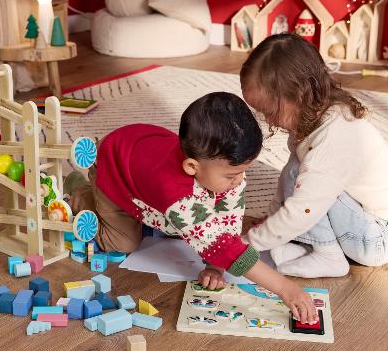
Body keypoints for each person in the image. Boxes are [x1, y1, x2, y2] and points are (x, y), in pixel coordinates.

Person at [67, 91, 317, 323]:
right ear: (191, 167)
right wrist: (285, 288)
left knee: (191, 225)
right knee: (123, 243)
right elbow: (221, 244)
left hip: (142, 153)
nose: (239, 181)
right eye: (232, 175)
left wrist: (214, 265)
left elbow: (227, 225)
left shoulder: (224, 171)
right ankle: (81, 191)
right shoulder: (179, 197)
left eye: (243, 171)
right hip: (113, 169)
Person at [240, 33, 388, 278]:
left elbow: (304, 208)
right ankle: (313, 248)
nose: (268, 120)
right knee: (297, 172)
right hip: (360, 223)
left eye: (270, 111)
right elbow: (288, 177)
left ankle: (328, 256)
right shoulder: (311, 117)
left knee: (307, 188)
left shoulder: (335, 136)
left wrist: (247, 246)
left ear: (299, 94)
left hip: (378, 236)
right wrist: (272, 217)